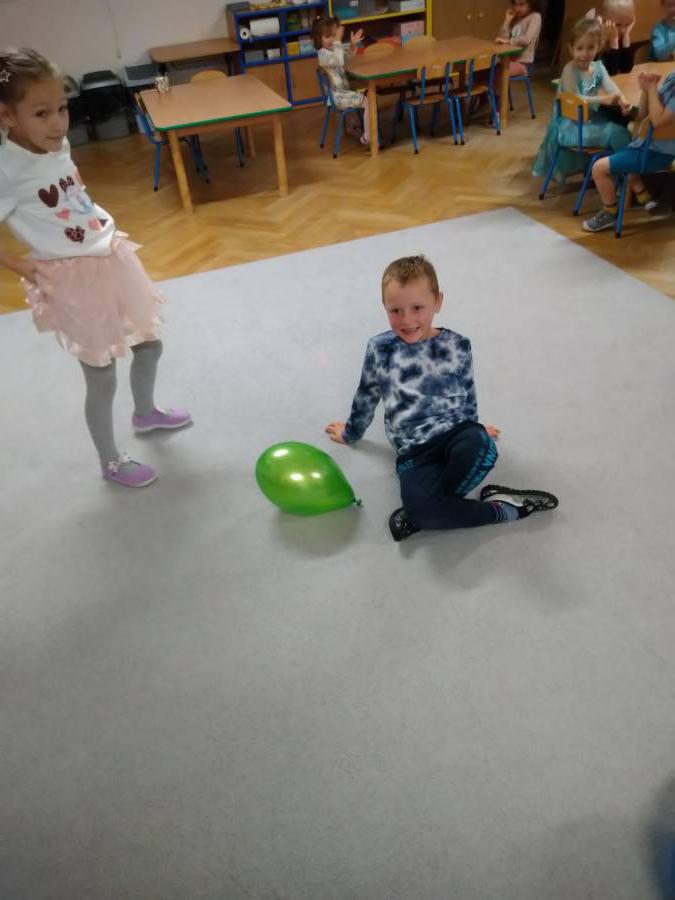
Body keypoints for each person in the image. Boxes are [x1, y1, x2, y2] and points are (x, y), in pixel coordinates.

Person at [0, 48, 191, 488]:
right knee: (101, 375)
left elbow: (70, 190)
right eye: (42, 113)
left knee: (149, 344)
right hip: (71, 278)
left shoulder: (59, 144)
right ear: (7, 115)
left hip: (111, 255)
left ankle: (146, 412)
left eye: (62, 109)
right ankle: (110, 460)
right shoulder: (7, 168)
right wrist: (22, 267)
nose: (58, 124)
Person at [324, 256, 558, 542]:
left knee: (480, 447)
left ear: (438, 301)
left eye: (417, 308)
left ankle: (434, 505)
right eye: (395, 310)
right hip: (413, 451)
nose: (407, 319)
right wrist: (350, 433)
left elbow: (467, 390)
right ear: (385, 307)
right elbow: (367, 394)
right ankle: (505, 509)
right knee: (422, 514)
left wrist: (475, 427)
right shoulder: (379, 349)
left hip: (454, 433)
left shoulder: (457, 345)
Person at [533, 18, 631, 186]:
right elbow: (576, 99)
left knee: (624, 128)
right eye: (579, 48)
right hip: (572, 126)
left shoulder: (598, 68)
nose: (584, 53)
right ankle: (628, 180)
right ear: (571, 49)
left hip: (591, 121)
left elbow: (611, 87)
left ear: (598, 47)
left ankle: (619, 176)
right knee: (618, 134)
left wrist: (622, 100)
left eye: (590, 48)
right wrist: (604, 99)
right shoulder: (570, 70)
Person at [583, 68, 675, 231]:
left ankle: (610, 212)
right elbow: (642, 114)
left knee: (598, 168)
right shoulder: (671, 80)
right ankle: (644, 195)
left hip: (659, 153)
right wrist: (646, 90)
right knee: (623, 149)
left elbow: (657, 122)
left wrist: (652, 89)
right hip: (646, 147)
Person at [312, 15, 369, 146]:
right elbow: (338, 60)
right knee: (368, 102)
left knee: (367, 97)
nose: (332, 39)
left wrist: (352, 46)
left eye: (334, 35)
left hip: (343, 92)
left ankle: (354, 128)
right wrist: (338, 40)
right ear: (318, 39)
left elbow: (345, 59)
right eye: (328, 36)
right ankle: (368, 137)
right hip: (337, 97)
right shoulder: (322, 54)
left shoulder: (332, 50)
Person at [585, 0, 637, 75]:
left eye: (628, 24)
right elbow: (609, 73)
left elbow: (626, 69)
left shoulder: (620, 36)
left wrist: (625, 39)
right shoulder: (593, 40)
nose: (623, 30)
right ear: (603, 21)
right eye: (618, 25)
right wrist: (612, 41)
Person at [496, 0, 543, 77]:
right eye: (515, 4)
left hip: (523, 63)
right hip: (507, 60)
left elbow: (527, 39)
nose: (517, 8)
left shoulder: (535, 16)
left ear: (531, 4)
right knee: (485, 70)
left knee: (496, 72)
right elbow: (501, 38)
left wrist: (509, 41)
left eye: (521, 4)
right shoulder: (515, 18)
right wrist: (507, 21)